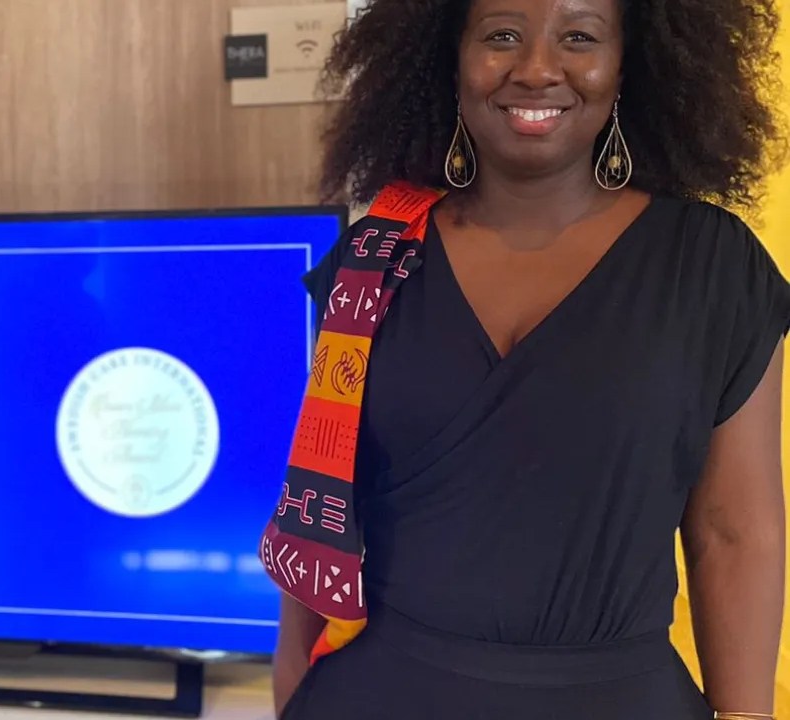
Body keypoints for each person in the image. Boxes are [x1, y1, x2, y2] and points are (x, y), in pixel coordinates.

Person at [262, 0, 789, 717]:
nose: (538, 68)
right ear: (451, 59)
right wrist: (294, 690)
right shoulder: (371, 260)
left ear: (626, 64)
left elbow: (735, 531)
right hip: (373, 694)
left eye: (580, 36)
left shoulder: (712, 267)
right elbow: (320, 502)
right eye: (502, 35)